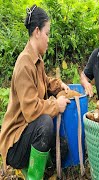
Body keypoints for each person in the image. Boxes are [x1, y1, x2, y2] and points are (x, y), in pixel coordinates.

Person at [0, 5, 70, 179]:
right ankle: (33, 176)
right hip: (15, 143)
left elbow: (45, 83)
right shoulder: (24, 63)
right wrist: (56, 104)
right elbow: (32, 111)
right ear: (37, 32)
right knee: (45, 123)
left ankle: (41, 169)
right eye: (47, 34)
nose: (48, 39)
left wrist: (60, 85)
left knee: (62, 147)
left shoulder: (36, 59)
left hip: (28, 132)